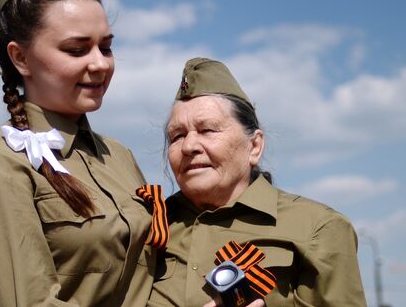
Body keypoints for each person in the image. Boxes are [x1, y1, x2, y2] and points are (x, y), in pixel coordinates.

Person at [0, 0, 154, 306]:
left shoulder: (118, 156)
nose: (100, 64)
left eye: (106, 47)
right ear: (21, 58)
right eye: (76, 50)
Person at [147, 58, 367, 306]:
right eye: (177, 136)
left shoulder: (319, 229)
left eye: (208, 130)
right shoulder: (147, 228)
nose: (189, 146)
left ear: (254, 146)